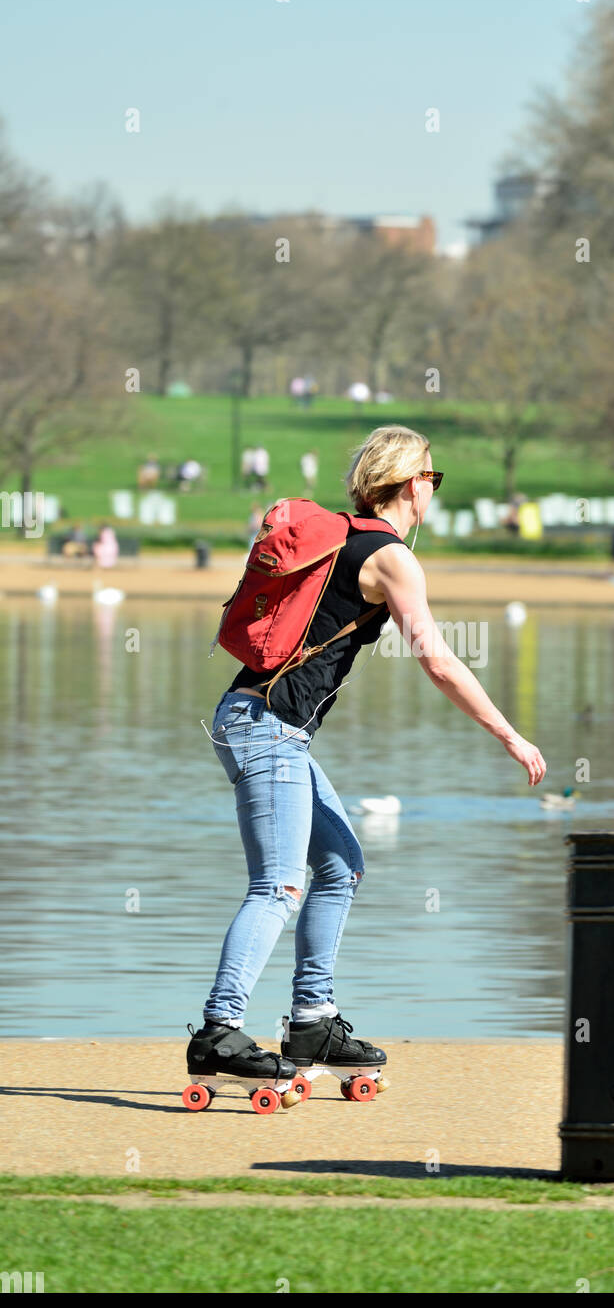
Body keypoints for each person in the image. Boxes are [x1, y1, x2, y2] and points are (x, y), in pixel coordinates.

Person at [187, 425, 547, 1086]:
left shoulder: (343, 539)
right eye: (432, 480)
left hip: (263, 724)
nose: (431, 491)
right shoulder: (391, 558)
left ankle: (311, 1021)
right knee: (279, 885)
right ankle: (217, 1028)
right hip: (266, 727)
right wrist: (508, 734)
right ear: (415, 485)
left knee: (341, 865)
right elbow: (435, 659)